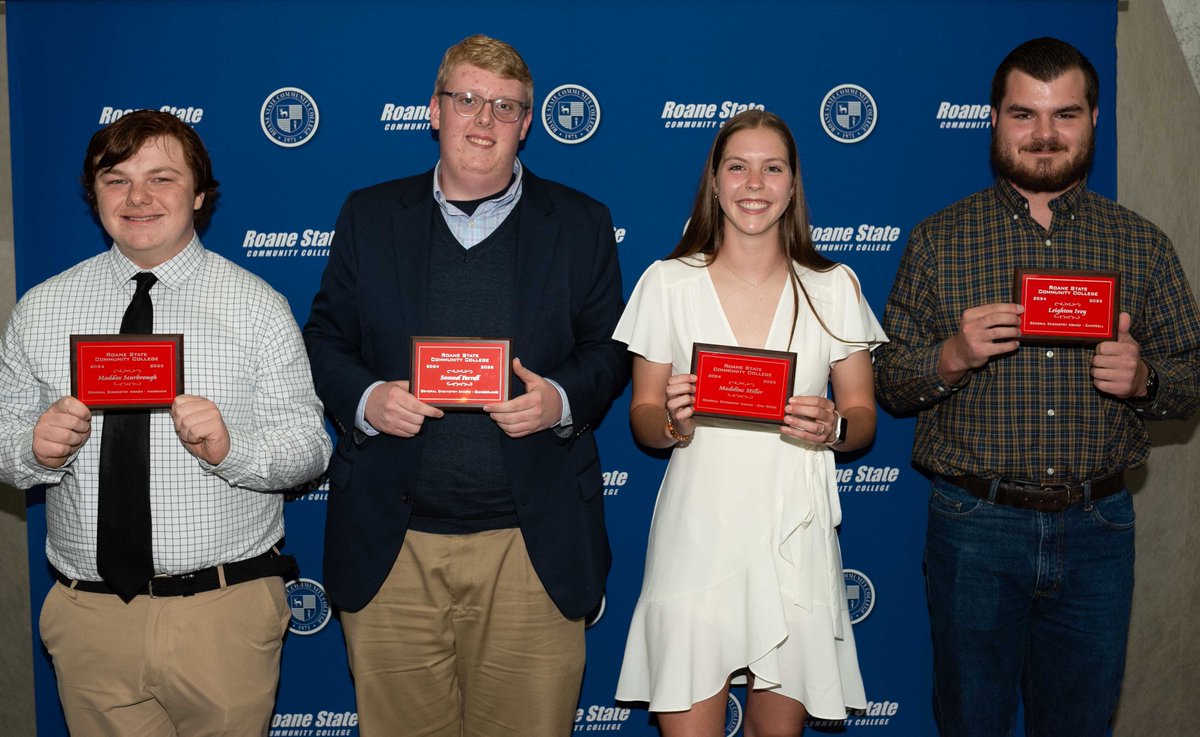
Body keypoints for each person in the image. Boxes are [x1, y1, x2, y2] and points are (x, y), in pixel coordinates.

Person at [874, 37, 1200, 737]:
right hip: (975, 529)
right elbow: (888, 380)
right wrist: (951, 355)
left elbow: (1191, 375)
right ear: (993, 119)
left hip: (1098, 528)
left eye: (1066, 115)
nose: (1045, 135)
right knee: (972, 721)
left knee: (1081, 723)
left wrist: (1146, 379)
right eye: (1024, 115)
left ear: (1093, 119)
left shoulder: (1141, 244)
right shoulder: (940, 240)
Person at [303, 34, 626, 737]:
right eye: (467, 99)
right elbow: (325, 338)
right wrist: (367, 399)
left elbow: (610, 352)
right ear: (433, 110)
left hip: (531, 547)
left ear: (528, 123)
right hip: (393, 547)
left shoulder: (582, 223)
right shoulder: (368, 215)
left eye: (505, 107)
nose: (484, 120)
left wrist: (560, 401)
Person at [0, 109, 331, 737]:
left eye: (162, 178)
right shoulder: (42, 307)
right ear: (93, 192)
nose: (138, 198)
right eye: (116, 179)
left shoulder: (256, 307)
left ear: (200, 195)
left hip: (223, 615)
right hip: (90, 617)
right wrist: (31, 448)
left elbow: (310, 450)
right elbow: (2, 438)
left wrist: (232, 449)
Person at [613, 109, 884, 735]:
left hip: (793, 534)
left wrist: (835, 429)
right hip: (698, 531)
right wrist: (674, 421)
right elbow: (643, 416)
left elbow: (863, 415)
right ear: (714, 181)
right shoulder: (667, 283)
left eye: (772, 168)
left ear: (793, 184)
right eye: (737, 167)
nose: (753, 184)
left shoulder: (835, 285)